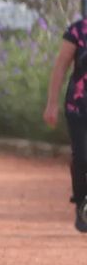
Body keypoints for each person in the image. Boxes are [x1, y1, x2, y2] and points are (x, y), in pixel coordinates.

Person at [43, 17, 87, 232]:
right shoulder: (78, 31)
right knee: (82, 157)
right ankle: (81, 204)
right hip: (79, 106)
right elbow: (60, 66)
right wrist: (52, 103)